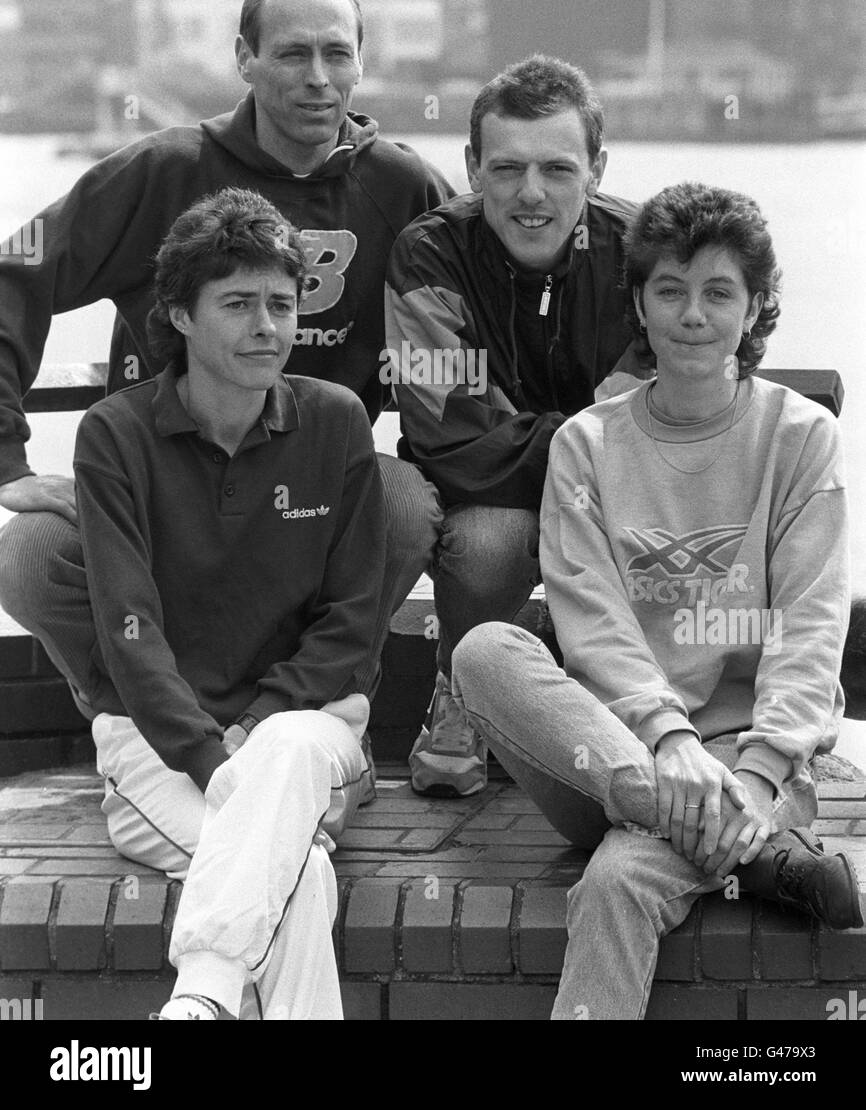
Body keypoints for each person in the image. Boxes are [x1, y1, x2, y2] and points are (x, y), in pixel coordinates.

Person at [0, 0, 450, 785]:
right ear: (243, 58)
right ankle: (134, 718)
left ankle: (321, 707)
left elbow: (469, 325)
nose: (318, 79)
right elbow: (17, 274)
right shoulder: (163, 171)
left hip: (308, 500)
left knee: (403, 503)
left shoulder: (403, 185)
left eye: (336, 53)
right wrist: (7, 456)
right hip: (162, 497)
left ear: (360, 58)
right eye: (290, 55)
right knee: (27, 555)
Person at [451, 181, 862, 1020]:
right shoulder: (589, 443)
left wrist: (752, 776)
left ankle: (733, 829)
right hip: (610, 756)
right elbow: (592, 619)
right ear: (638, 303)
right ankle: (750, 853)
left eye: (719, 292)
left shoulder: (798, 438)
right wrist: (667, 740)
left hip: (758, 765)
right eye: (669, 290)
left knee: (617, 882)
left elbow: (812, 624)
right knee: (483, 652)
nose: (692, 315)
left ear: (756, 309)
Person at [74, 188, 383, 1020]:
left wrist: (260, 730)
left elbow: (352, 620)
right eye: (238, 304)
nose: (267, 327)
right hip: (158, 747)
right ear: (177, 313)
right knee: (300, 872)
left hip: (309, 732)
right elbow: (130, 634)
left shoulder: (336, 421)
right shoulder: (115, 435)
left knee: (286, 747)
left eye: (281, 305)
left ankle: (203, 995)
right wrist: (218, 762)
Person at [384, 54, 648, 795]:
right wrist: (590, 436)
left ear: (597, 167)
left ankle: (638, 709)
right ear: (471, 167)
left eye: (558, 169)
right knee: (491, 539)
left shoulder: (644, 253)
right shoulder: (429, 254)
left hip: (614, 508)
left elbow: (654, 426)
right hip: (489, 503)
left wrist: (589, 444)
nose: (531, 195)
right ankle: (461, 694)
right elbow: (453, 438)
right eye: (506, 169)